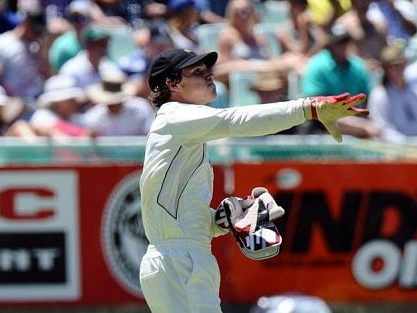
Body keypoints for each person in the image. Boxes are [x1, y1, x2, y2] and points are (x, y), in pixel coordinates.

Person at [138, 48, 367, 313]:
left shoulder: (184, 129)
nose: (209, 75)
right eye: (197, 72)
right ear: (172, 83)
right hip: (180, 261)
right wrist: (308, 108)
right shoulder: (174, 116)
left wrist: (220, 220)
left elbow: (177, 215)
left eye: (207, 69)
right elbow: (236, 120)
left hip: (182, 258)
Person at [368, 42, 417, 143]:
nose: (398, 69)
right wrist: (407, 144)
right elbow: (382, 128)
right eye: (394, 66)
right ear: (386, 69)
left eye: (401, 65)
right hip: (397, 152)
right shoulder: (379, 95)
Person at [83, 70, 154, 136]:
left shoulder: (141, 109)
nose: (113, 105)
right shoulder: (94, 117)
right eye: (109, 103)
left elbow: (149, 135)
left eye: (116, 102)